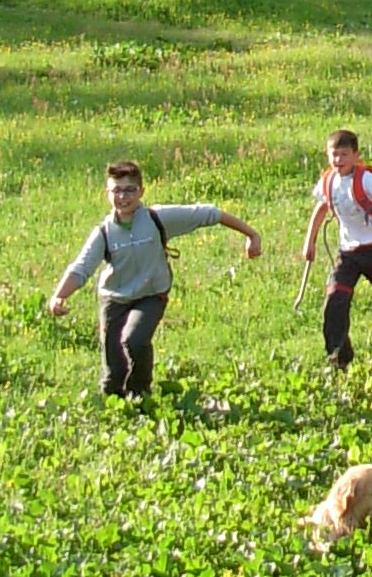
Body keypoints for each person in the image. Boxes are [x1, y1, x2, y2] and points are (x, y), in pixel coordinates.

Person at [48, 158, 261, 398]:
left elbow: (209, 213)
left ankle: (141, 397)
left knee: (135, 340)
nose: (123, 197)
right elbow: (81, 268)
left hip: (151, 295)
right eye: (116, 190)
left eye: (130, 190)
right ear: (106, 193)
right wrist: (59, 296)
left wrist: (251, 235)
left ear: (142, 191)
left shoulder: (157, 218)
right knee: (113, 375)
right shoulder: (104, 232)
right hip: (114, 299)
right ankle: (116, 412)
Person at [302, 130, 372, 372]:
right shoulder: (328, 181)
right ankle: (338, 357)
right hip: (349, 253)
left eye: (344, 154)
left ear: (356, 155)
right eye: (334, 155)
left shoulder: (368, 181)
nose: (338, 160)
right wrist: (309, 241)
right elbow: (321, 209)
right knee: (335, 298)